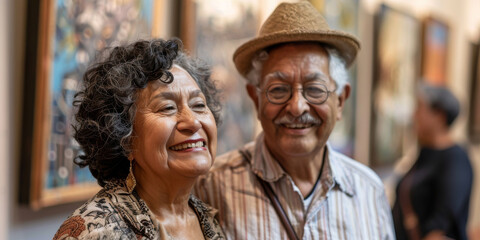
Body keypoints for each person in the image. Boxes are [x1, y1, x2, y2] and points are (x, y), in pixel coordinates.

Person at [194, 1, 395, 239]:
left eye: (315, 89)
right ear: (255, 99)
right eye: (278, 90)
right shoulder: (209, 187)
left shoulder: (367, 190)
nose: (297, 107)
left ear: (340, 101)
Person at [53, 38, 225, 240]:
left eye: (198, 105)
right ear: (124, 138)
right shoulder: (96, 231)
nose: (193, 122)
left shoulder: (207, 219)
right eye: (168, 108)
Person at [392, 83, 473, 240]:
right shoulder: (426, 153)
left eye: (420, 109)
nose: (414, 116)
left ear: (440, 116)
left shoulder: (456, 159)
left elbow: (441, 224)